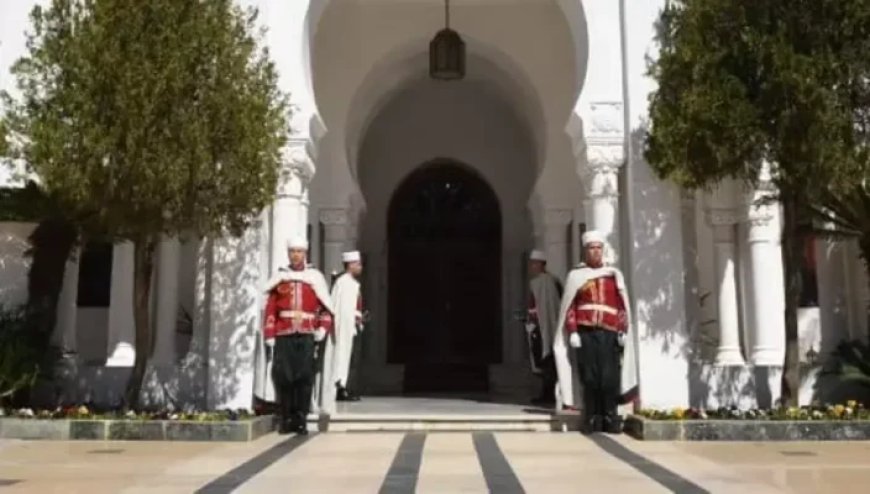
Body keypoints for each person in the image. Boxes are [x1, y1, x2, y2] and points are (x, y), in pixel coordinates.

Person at [555, 230, 637, 433]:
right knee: (590, 377)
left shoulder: (613, 275)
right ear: (585, 251)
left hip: (609, 333)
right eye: (592, 248)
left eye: (599, 248)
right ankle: (592, 417)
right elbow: (570, 306)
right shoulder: (576, 275)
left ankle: (610, 415)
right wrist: (572, 330)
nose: (595, 252)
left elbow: (621, 305)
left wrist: (622, 329)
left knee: (609, 377)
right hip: (586, 333)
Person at [261, 237, 334, 434]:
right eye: (292, 251)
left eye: (299, 251)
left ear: (305, 253)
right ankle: (286, 417)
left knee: (304, 376)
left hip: (307, 333)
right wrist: (269, 332)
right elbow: (270, 308)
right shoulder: (280, 277)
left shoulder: (314, 277)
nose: (296, 255)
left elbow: (325, 307)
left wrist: (322, 328)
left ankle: (301, 417)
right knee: (284, 376)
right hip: (284, 333)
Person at [525, 249, 562, 406]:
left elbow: (548, 306)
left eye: (534, 263)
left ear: (541, 264)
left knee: (547, 361)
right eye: (531, 263)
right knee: (541, 359)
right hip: (538, 325)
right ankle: (545, 393)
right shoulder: (540, 281)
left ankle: (549, 394)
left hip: (545, 326)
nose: (532, 266)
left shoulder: (547, 282)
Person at [331, 250, 365, 402]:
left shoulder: (352, 283)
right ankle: (340, 386)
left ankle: (344, 385)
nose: (360, 267)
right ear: (350, 265)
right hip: (343, 326)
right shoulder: (343, 282)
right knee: (342, 355)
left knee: (349, 358)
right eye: (358, 264)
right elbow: (343, 309)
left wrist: (359, 319)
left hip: (351, 326)